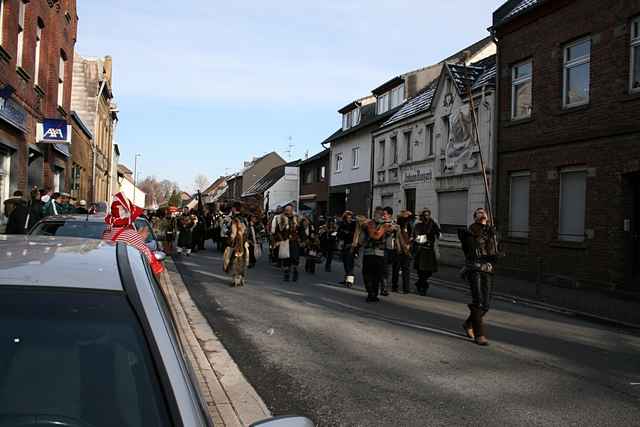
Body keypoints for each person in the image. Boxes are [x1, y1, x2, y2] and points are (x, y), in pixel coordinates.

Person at [458, 207, 497, 346]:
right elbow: (471, 247)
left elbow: (494, 252)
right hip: (475, 269)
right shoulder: (470, 232)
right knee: (478, 301)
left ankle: (468, 323)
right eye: (479, 212)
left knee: (486, 305)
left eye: (484, 212)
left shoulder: (490, 232)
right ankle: (479, 334)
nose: (482, 213)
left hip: (488, 269)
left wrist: (493, 235)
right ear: (474, 217)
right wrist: (483, 229)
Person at [102, 192, 164, 275]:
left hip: (110, 272)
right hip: (126, 276)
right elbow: (150, 261)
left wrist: (137, 237)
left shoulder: (107, 232)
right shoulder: (130, 235)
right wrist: (140, 238)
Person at [362, 207, 392, 302]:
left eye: (382, 214)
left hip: (380, 253)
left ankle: (373, 293)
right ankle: (371, 293)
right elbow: (374, 236)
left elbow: (390, 233)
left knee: (376, 275)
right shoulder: (370, 224)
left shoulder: (385, 225)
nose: (381, 216)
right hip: (370, 252)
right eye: (379, 214)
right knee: (369, 274)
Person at [413, 209, 441, 296]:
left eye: (428, 215)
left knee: (429, 271)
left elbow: (439, 235)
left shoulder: (433, 224)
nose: (426, 217)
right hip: (421, 251)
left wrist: (436, 231)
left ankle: (419, 283)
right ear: (422, 216)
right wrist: (426, 238)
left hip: (430, 251)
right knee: (421, 271)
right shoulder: (418, 225)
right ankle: (423, 287)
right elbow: (417, 239)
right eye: (424, 215)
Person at [224, 202, 249, 286]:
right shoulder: (245, 219)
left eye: (232, 208)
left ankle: (235, 280)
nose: (232, 209)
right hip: (244, 243)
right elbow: (247, 231)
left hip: (236, 244)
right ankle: (242, 279)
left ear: (234, 209)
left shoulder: (234, 220)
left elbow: (233, 234)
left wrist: (228, 236)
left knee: (233, 261)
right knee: (242, 261)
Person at [273, 204, 301, 282]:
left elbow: (301, 229)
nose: (287, 212)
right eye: (286, 210)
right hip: (285, 241)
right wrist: (279, 240)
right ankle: (286, 274)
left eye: (288, 210)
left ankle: (295, 272)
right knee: (286, 258)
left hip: (294, 241)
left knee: (295, 258)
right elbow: (277, 231)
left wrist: (302, 240)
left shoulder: (297, 218)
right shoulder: (282, 218)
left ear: (292, 210)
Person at [391, 210, 413, 294]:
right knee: (396, 269)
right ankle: (394, 286)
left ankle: (406, 288)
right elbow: (394, 237)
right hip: (398, 250)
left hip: (407, 249)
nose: (408, 220)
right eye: (406, 218)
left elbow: (412, 236)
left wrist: (410, 244)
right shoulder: (397, 226)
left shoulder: (409, 226)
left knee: (406, 269)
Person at [337, 211, 356, 286]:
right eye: (347, 217)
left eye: (350, 217)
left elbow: (355, 234)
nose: (349, 219)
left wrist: (347, 233)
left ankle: (350, 281)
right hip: (344, 245)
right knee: (345, 262)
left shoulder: (354, 225)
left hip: (351, 245)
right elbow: (339, 234)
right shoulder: (342, 225)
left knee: (349, 263)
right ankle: (346, 279)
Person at [380, 206, 395, 297]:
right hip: (382, 248)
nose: (383, 216)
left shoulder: (394, 224)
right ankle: (384, 288)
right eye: (382, 214)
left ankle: (385, 287)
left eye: (384, 214)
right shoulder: (380, 224)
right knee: (383, 269)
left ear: (389, 215)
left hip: (391, 249)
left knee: (388, 270)